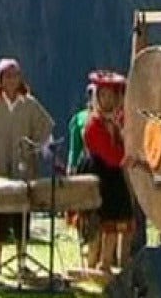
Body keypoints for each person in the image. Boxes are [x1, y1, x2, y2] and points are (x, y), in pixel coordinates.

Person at [0, 58, 54, 278]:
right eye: (7, 75)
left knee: (22, 220)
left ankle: (21, 263)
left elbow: (45, 134)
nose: (11, 80)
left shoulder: (30, 104)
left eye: (15, 75)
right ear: (0, 79)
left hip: (24, 175)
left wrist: (48, 153)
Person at [82, 70, 135, 273]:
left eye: (111, 95)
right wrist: (125, 156)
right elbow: (110, 155)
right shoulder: (93, 124)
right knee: (98, 222)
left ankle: (110, 264)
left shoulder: (119, 121)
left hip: (114, 174)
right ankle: (92, 264)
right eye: (103, 95)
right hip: (97, 174)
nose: (107, 100)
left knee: (118, 220)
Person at [66, 83, 100, 268]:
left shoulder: (111, 119)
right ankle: (85, 245)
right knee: (84, 212)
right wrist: (71, 170)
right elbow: (74, 148)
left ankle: (100, 255)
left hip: (104, 169)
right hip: (84, 168)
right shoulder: (79, 119)